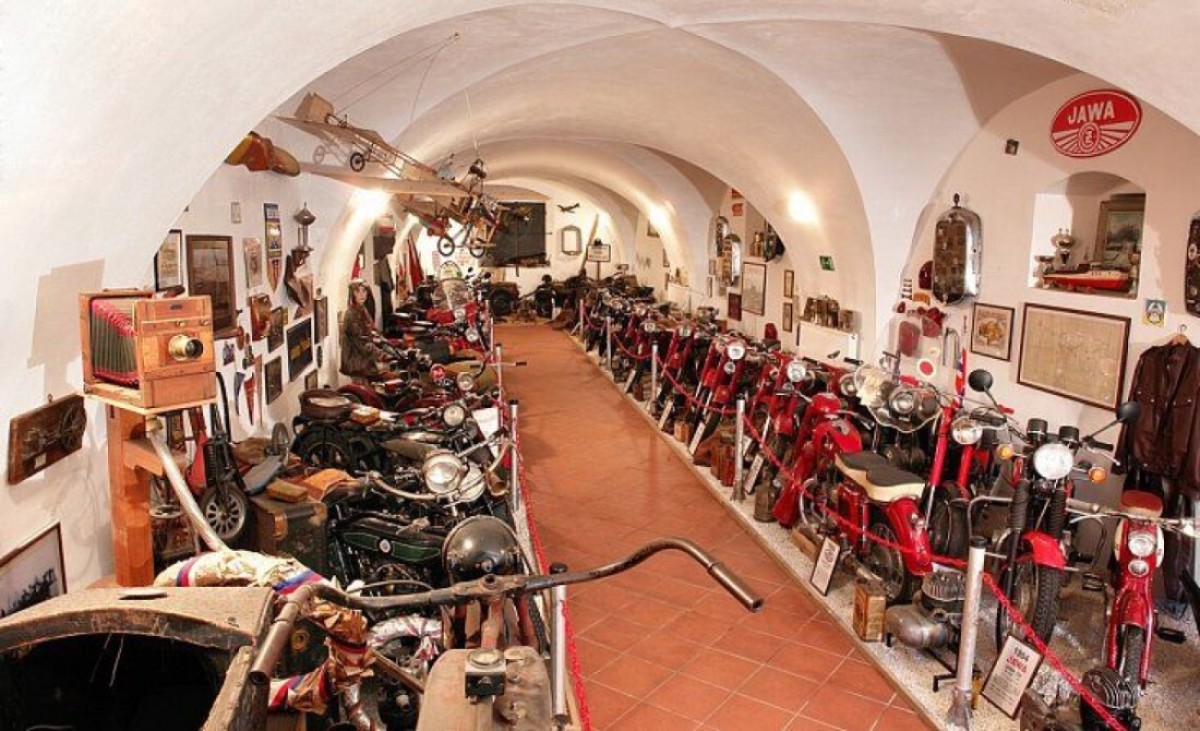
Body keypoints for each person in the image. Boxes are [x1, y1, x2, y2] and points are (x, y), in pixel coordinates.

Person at [340, 280, 392, 378]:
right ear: (352, 294)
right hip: (356, 362)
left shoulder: (363, 309)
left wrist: (387, 343)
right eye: (357, 291)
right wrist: (382, 354)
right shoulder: (351, 314)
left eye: (364, 291)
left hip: (365, 359)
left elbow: (372, 331)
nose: (361, 294)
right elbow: (361, 343)